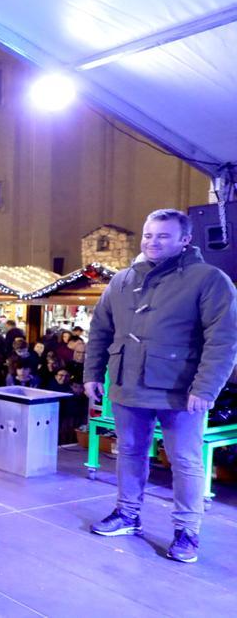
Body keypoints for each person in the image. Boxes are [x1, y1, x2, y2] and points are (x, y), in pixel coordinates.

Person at [85, 208, 237, 564]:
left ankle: (187, 531)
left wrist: (206, 387)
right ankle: (127, 515)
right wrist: (92, 373)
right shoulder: (122, 280)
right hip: (127, 384)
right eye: (149, 234)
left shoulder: (209, 279)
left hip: (181, 390)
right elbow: (100, 331)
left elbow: (224, 340)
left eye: (163, 235)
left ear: (185, 239)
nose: (153, 242)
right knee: (130, 452)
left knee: (185, 461)